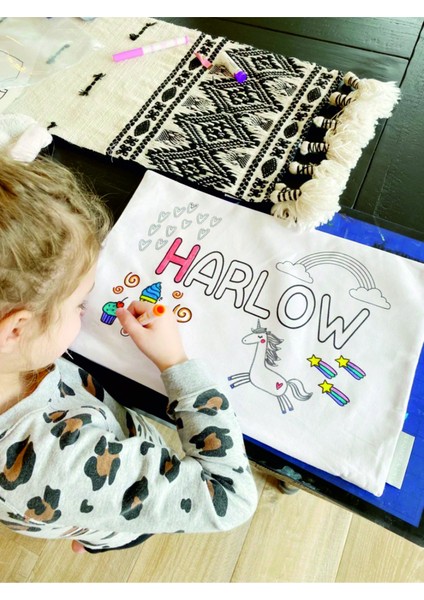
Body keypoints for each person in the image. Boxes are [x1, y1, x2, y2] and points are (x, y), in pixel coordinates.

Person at [0, 153, 257, 554]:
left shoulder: (17, 361)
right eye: (79, 303)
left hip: (81, 491)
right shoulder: (58, 464)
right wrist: (176, 364)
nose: (85, 310)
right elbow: (230, 496)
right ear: (16, 329)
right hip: (97, 492)